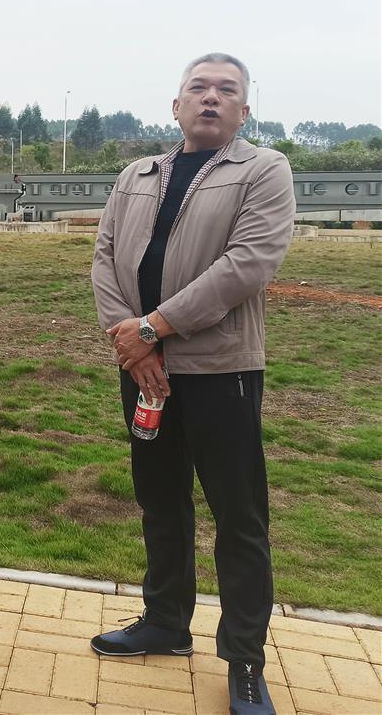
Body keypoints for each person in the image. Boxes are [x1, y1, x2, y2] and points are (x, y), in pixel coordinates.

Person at [90, 53, 295, 715]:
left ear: (244, 110)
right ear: (175, 105)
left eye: (226, 90)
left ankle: (244, 660)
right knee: (160, 500)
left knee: (239, 517)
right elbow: (104, 257)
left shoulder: (263, 170)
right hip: (143, 372)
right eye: (198, 88)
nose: (211, 98)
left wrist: (153, 328)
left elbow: (247, 265)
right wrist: (131, 344)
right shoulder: (136, 176)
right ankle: (165, 622)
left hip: (220, 372)